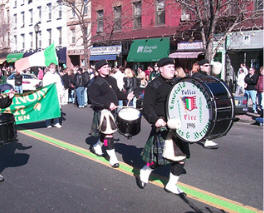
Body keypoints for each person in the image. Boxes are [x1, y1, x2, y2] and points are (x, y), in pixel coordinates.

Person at [136, 57, 189, 195]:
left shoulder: (178, 83)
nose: (172, 69)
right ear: (160, 69)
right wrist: (155, 119)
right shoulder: (154, 85)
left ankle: (171, 185)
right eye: (168, 67)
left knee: (180, 159)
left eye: (173, 67)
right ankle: (145, 170)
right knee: (156, 161)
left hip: (177, 125)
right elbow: (147, 107)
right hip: (162, 125)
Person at [88, 60, 133, 168]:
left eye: (108, 67)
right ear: (99, 70)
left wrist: (126, 96)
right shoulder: (95, 82)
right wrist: (108, 104)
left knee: (106, 133)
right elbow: (93, 100)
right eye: (104, 67)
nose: (107, 68)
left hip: (112, 111)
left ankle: (97, 145)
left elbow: (116, 93)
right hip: (103, 111)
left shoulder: (112, 80)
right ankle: (112, 158)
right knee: (109, 135)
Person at [192, 59, 219, 149]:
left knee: (205, 120)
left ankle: (203, 137)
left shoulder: (206, 76)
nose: (208, 68)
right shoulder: (197, 75)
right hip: (199, 102)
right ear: (201, 67)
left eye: (209, 66)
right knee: (205, 120)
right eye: (206, 66)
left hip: (205, 101)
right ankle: (206, 139)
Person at [43, 63, 64, 128]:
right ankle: (48, 122)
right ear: (49, 68)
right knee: (49, 108)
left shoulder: (57, 75)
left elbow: (60, 84)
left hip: (56, 94)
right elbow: (45, 85)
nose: (53, 69)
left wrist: (61, 92)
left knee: (56, 108)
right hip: (50, 95)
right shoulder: (47, 75)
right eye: (51, 67)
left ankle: (56, 122)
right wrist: (52, 84)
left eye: (54, 67)